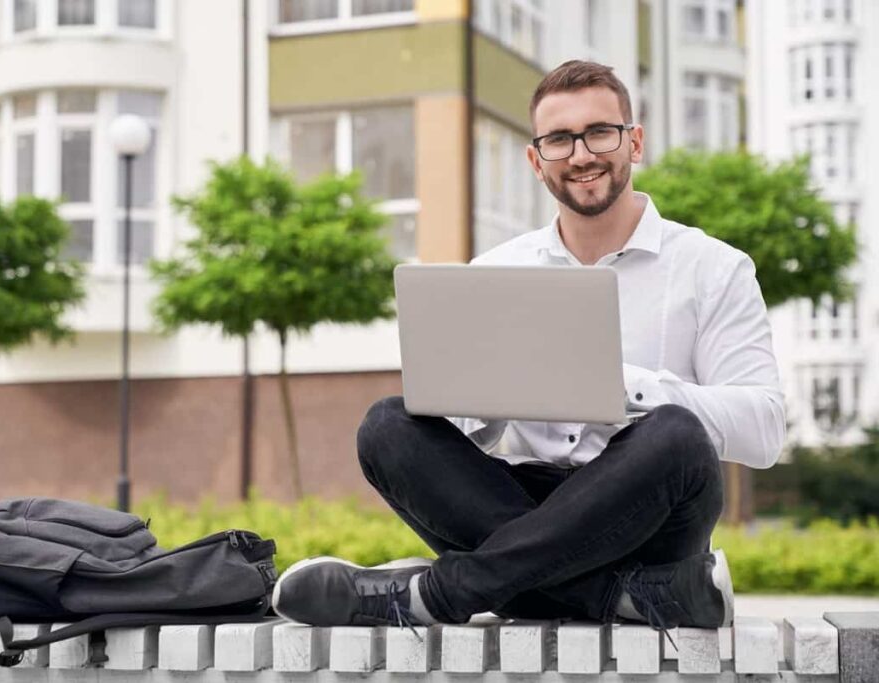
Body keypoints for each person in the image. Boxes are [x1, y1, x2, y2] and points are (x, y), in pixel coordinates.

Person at [271, 60, 785, 634]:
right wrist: (487, 401)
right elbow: (464, 442)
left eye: (600, 132)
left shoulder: (715, 268)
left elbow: (764, 430)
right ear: (535, 160)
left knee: (676, 432)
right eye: (559, 140)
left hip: (648, 516)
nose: (582, 154)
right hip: (518, 505)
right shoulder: (494, 272)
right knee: (387, 425)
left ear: (633, 142)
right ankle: (632, 597)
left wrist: (625, 386)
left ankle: (437, 594)